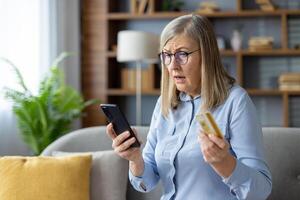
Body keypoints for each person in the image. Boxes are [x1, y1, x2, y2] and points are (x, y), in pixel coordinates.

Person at [106, 14, 272, 200]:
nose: (172, 66)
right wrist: (135, 158)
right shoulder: (165, 103)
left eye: (182, 54)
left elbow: (261, 190)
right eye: (167, 55)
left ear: (206, 56)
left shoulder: (235, 101)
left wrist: (224, 162)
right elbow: (148, 182)